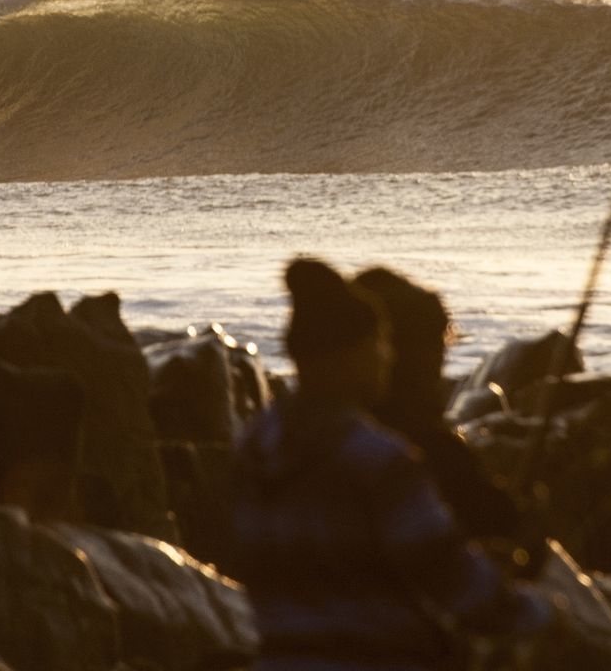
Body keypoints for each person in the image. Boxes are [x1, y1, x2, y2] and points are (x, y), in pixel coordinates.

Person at [232, 257, 551, 671]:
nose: (386, 359)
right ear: (351, 356)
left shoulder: (254, 446)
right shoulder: (376, 459)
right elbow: (453, 581)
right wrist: (545, 616)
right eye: (379, 344)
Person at [354, 267, 527, 548]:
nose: (438, 363)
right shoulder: (425, 453)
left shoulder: (290, 439)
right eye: (436, 348)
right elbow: (506, 531)